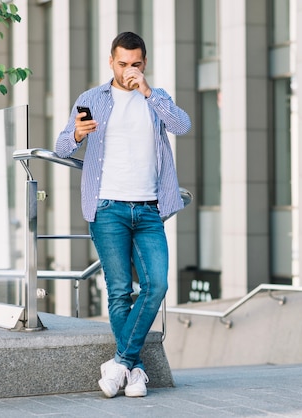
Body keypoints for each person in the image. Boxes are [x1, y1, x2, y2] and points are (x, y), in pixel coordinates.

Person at [55, 31, 191, 398]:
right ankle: (134, 370)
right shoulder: (90, 99)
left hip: (149, 208)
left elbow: (182, 126)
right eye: (122, 63)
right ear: (111, 62)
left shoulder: (156, 98)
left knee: (157, 285)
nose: (129, 70)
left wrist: (148, 92)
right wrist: (78, 136)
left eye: (136, 64)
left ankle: (119, 363)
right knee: (119, 291)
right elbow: (61, 144)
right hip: (107, 207)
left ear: (143, 63)